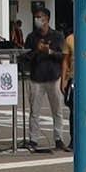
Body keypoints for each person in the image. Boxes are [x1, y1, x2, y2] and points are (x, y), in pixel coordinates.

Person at [24, 9, 68, 153]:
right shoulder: (31, 37)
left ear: (47, 19)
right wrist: (37, 50)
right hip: (36, 77)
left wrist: (49, 51)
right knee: (34, 112)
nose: (37, 20)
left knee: (57, 111)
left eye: (39, 17)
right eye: (35, 17)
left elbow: (62, 56)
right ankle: (33, 139)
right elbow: (26, 57)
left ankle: (58, 138)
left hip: (53, 77)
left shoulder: (57, 36)